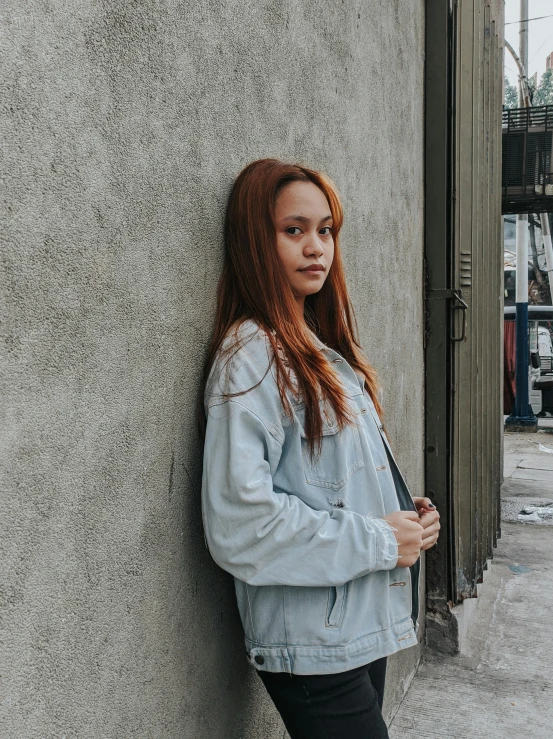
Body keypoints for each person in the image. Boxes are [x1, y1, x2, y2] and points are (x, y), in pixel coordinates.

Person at [200, 158, 440, 738]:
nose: (316, 248)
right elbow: (241, 522)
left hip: (354, 620)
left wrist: (403, 512)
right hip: (310, 638)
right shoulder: (251, 358)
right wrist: (383, 539)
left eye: (325, 230)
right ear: (256, 240)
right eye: (294, 230)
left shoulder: (316, 347)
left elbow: (326, 479)